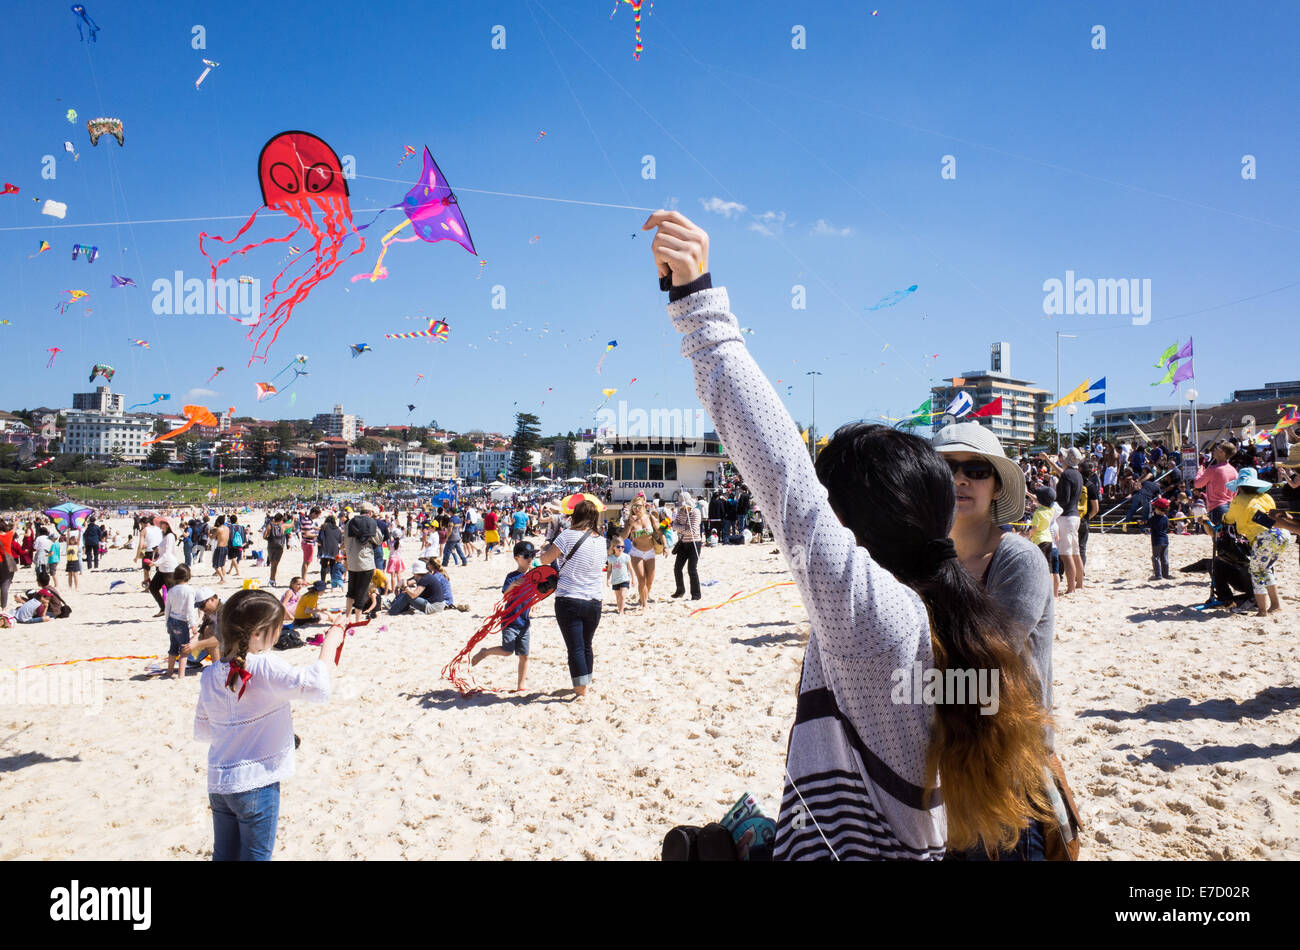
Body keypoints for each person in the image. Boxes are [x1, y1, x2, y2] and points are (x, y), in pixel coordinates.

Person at [648, 209, 1054, 859]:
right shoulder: (952, 620)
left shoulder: (885, 622)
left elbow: (781, 473)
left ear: (845, 522)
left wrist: (698, 303)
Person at [194, 588, 341, 860]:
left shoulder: (210, 675)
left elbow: (206, 731)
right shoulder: (265, 665)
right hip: (256, 785)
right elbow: (317, 684)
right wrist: (330, 642)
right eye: (276, 628)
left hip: (219, 782)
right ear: (258, 633)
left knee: (224, 855)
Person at [539, 500, 605, 697]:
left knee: (575, 647)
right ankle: (586, 682)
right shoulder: (601, 540)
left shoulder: (567, 535)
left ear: (576, 515)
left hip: (569, 597)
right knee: (586, 644)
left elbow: (545, 560)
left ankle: (580, 689)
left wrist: (543, 550)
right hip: (594, 599)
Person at [1223, 467, 1298, 617]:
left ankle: (1262, 610)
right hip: (1282, 534)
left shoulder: (1239, 500)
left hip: (1264, 537)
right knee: (1266, 569)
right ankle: (1275, 605)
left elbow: (1229, 518)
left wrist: (1223, 519)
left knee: (1256, 571)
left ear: (1239, 486)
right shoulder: (1266, 497)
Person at [471, 541, 536, 691]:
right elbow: (505, 594)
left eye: (532, 555)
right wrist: (514, 585)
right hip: (510, 621)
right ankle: (485, 652)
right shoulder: (512, 576)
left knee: (524, 655)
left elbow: (536, 594)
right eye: (527, 556)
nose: (530, 558)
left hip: (524, 622)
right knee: (507, 651)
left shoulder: (533, 576)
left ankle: (521, 685)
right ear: (517, 558)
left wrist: (533, 607)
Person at [621, 494, 661, 610]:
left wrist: (666, 546)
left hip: (650, 552)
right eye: (634, 506)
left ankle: (643, 596)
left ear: (643, 505)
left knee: (650, 581)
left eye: (638, 506)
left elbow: (660, 530)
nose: (636, 509)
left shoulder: (650, 518)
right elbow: (623, 537)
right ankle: (644, 605)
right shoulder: (630, 520)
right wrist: (630, 526)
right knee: (642, 579)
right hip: (636, 552)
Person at [344, 502, 381, 626]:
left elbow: (345, 540)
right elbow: (379, 539)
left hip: (352, 561)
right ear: (370, 513)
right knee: (362, 592)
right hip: (366, 562)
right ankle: (357, 620)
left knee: (351, 591)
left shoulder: (349, 523)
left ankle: (347, 617)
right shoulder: (371, 523)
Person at [389, 558, 457, 614]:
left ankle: (393, 611)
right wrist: (401, 585)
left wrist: (406, 587)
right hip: (438, 605)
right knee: (406, 593)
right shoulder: (426, 576)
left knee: (407, 594)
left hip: (434, 607)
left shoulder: (425, 579)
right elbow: (410, 583)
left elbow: (414, 595)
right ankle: (396, 606)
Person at [165, 564, 198, 678]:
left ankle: (169, 672)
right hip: (181, 622)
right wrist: (193, 625)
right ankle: (181, 674)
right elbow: (190, 609)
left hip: (171, 620)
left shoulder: (172, 590)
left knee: (173, 648)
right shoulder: (189, 590)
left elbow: (167, 609)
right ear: (188, 576)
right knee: (184, 649)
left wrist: (167, 625)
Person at [670, 490, 703, 600]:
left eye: (683, 506)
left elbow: (692, 531)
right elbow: (674, 524)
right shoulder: (680, 512)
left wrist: (680, 528)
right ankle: (680, 590)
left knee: (692, 569)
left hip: (695, 543)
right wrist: (683, 528)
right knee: (677, 568)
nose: (682, 508)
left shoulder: (696, 512)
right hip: (683, 543)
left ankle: (696, 594)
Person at [150, 518, 181, 615]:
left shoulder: (170, 536)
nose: (160, 525)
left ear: (167, 525)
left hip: (169, 567)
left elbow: (168, 553)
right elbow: (164, 550)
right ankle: (163, 608)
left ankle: (175, 611)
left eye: (162, 523)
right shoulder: (165, 536)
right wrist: (157, 549)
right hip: (162, 567)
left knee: (171, 591)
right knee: (153, 587)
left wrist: (157, 562)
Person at [1149, 497, 1173, 581]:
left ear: (1158, 509)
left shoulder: (1153, 519)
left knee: (1156, 557)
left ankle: (1158, 576)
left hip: (1156, 541)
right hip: (1165, 540)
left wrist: (1141, 523)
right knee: (1164, 558)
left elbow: (1147, 525)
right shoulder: (1166, 518)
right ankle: (1166, 574)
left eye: (1155, 508)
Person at [606, 537, 632, 614]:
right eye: (618, 546)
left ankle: (621, 611)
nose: (620, 548)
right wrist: (607, 579)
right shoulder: (611, 558)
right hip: (615, 580)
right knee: (618, 596)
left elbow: (630, 568)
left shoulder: (626, 557)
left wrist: (633, 579)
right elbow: (609, 570)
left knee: (623, 595)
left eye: (622, 547)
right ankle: (619, 608)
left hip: (625, 579)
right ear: (614, 547)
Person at [317, 514, 343, 588]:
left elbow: (320, 539)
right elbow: (340, 540)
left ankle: (323, 582)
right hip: (334, 549)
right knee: (332, 566)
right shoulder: (338, 529)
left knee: (324, 566)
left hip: (325, 548)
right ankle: (333, 583)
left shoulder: (324, 527)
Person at [262, 513, 287, 587]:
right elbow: (291, 525)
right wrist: (292, 520)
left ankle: (272, 580)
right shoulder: (283, 526)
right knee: (275, 564)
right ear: (281, 519)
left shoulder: (270, 525)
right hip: (280, 546)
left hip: (271, 546)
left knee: (273, 563)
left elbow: (264, 536)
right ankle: (272, 580)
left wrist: (270, 540)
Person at [0, 519, 18, 610]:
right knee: (5, 584)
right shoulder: (9, 535)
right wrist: (16, 522)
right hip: (7, 562)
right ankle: (3, 607)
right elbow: (14, 529)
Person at [299, 507, 321, 578]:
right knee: (306, 562)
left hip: (306, 543)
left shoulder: (307, 519)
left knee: (307, 562)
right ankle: (304, 579)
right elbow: (307, 534)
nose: (317, 517)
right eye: (317, 515)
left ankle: (303, 579)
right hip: (307, 543)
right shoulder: (307, 521)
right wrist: (318, 535)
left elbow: (310, 527)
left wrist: (319, 529)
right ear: (314, 513)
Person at [211, 515, 230, 584]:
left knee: (215, 565)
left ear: (218, 522)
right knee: (222, 565)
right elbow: (221, 531)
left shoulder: (218, 529)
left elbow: (212, 537)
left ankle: (222, 579)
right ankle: (223, 577)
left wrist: (208, 533)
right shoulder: (227, 528)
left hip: (220, 548)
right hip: (225, 547)